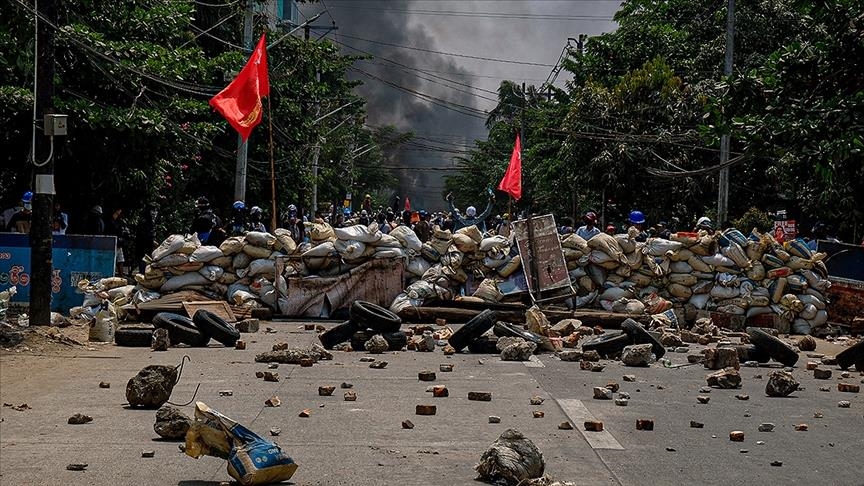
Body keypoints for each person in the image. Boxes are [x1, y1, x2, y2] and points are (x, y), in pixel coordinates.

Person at [106, 207, 131, 276]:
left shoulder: (118, 221)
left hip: (119, 243)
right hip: (112, 243)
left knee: (120, 260)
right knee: (113, 260)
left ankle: (121, 275)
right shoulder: (110, 221)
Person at [135, 203, 158, 273]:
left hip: (144, 245)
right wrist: (152, 241)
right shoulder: (146, 221)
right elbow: (145, 235)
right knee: (144, 262)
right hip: (143, 246)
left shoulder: (146, 220)